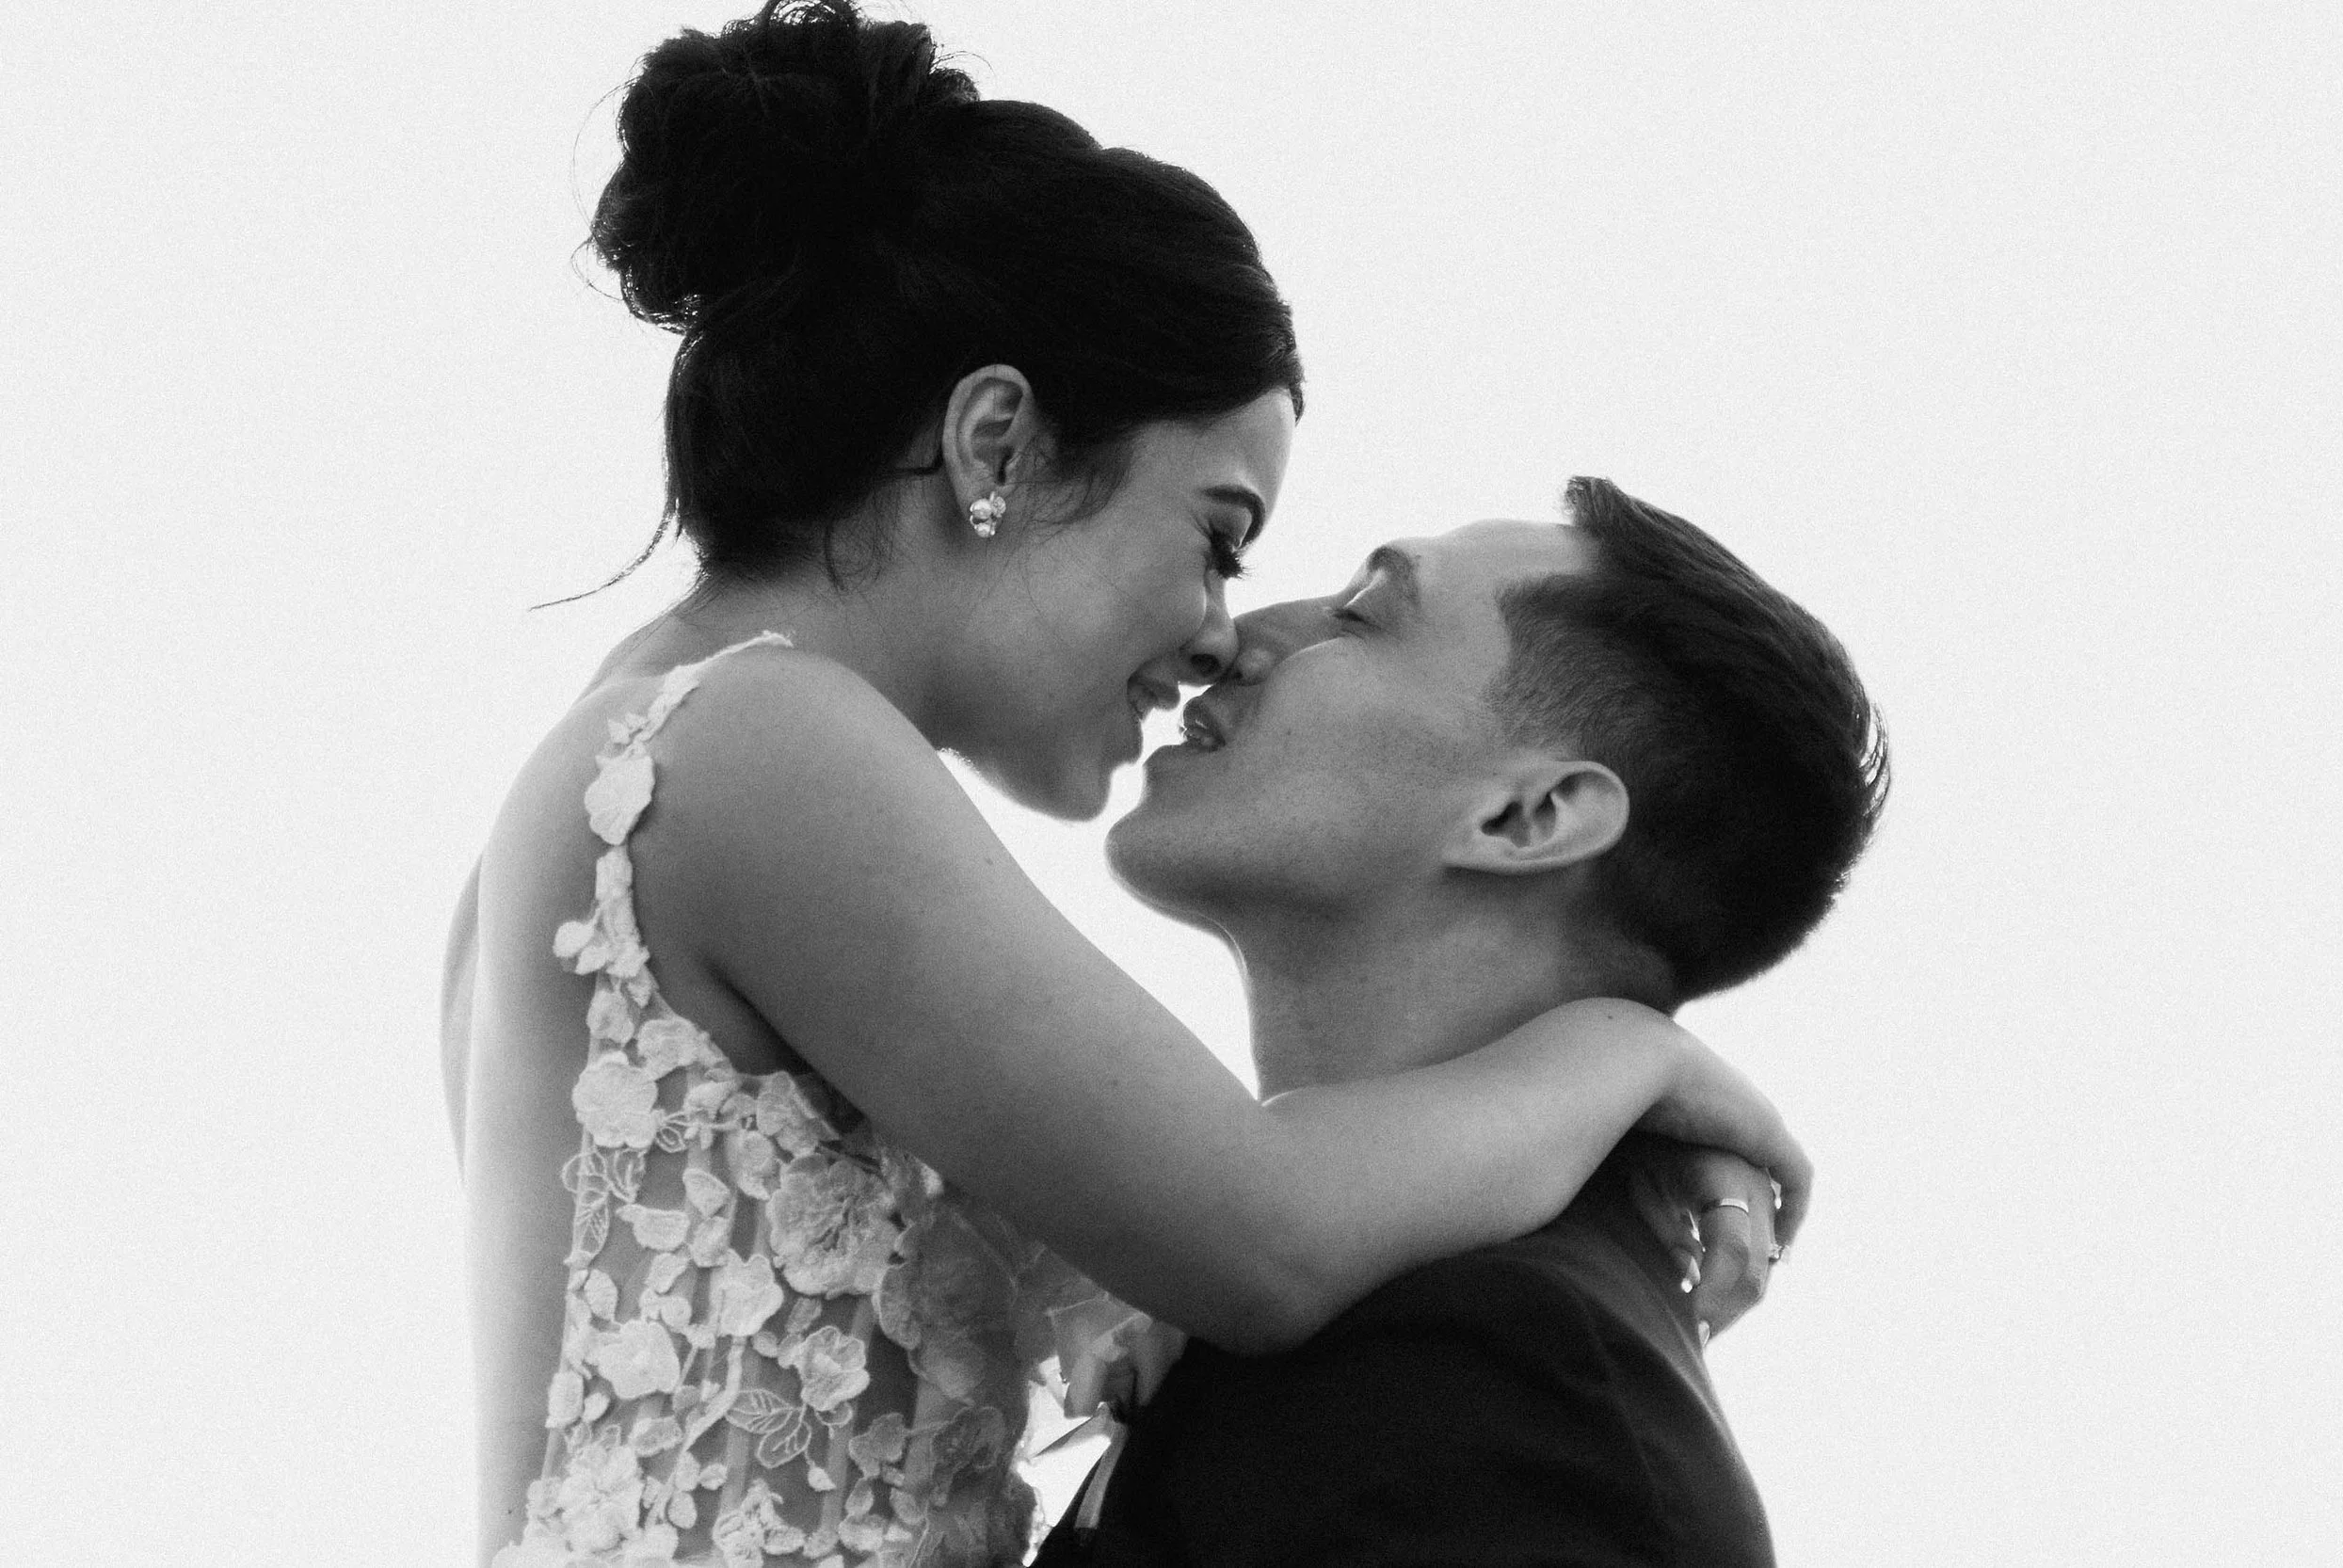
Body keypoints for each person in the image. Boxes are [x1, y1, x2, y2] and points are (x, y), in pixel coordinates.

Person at [443, 7, 1809, 1565]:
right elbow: (1266, 1234)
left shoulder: (643, 772)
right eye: (1220, 535)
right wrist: (1625, 1058)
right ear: (998, 444)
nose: (1222, 634)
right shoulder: (761, 748)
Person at [1035, 479, 1888, 1567]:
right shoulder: (1328, 1294)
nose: (1233, 637)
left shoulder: (1508, 1364)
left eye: (1360, 616)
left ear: (1525, 817)